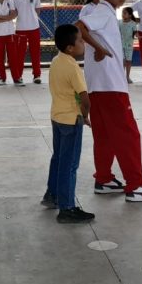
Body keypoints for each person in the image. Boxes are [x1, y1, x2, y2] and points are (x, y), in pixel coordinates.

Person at [76, 0, 142, 202]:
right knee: (128, 135)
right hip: (111, 86)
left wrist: (96, 47)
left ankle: (104, 179)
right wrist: (99, 48)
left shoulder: (104, 12)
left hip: (98, 85)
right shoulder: (103, 12)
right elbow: (79, 27)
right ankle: (136, 185)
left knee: (104, 135)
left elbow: (84, 30)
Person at [42, 24, 95, 224]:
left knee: (58, 159)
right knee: (70, 165)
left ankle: (52, 195)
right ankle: (67, 208)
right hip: (72, 120)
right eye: (80, 41)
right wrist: (85, 115)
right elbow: (85, 98)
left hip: (57, 117)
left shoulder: (56, 61)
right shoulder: (73, 67)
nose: (83, 44)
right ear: (70, 48)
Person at [12, 0, 43, 84]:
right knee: (19, 54)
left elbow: (38, 11)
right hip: (20, 29)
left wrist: (31, 16)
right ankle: (18, 75)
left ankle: (37, 75)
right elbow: (14, 11)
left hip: (34, 28)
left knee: (35, 52)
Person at [118, 7, 138, 84]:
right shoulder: (119, 22)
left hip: (129, 45)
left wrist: (137, 35)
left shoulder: (133, 23)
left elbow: (135, 33)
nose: (123, 14)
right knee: (122, 61)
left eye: (125, 13)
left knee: (128, 61)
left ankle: (127, 77)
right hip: (120, 45)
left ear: (130, 15)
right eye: (122, 13)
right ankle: (122, 77)